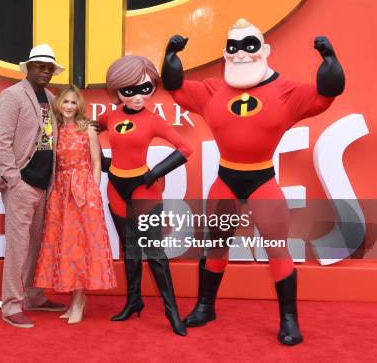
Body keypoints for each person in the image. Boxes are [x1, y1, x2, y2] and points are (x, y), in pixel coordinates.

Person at [161, 18, 345, 345]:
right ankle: (205, 306)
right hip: (226, 180)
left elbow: (326, 92)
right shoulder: (212, 90)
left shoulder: (286, 91)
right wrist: (171, 57)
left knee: (277, 248)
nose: (241, 53)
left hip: (261, 180)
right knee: (216, 245)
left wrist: (330, 61)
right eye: (233, 47)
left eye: (250, 45)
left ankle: (289, 319)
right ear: (225, 53)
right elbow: (175, 87)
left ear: (265, 50)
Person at [98, 55, 193, 336]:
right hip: (115, 188)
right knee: (130, 250)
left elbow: (185, 148)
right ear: (117, 91)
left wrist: (153, 175)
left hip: (143, 190)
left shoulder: (153, 121)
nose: (138, 96)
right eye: (129, 90)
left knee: (155, 253)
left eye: (145, 88)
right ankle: (134, 301)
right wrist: (102, 163)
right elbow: (88, 132)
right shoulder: (110, 117)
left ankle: (171, 312)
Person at [0, 44, 67, 328]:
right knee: (18, 247)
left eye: (49, 67)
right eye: (40, 66)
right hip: (21, 183)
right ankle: (10, 306)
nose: (45, 71)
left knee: (37, 246)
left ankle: (33, 296)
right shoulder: (11, 95)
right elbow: (2, 141)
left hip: (45, 183)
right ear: (29, 67)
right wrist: (14, 180)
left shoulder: (52, 97)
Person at [33, 86, 117, 324]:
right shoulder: (54, 130)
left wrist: (94, 191)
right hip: (60, 192)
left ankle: (80, 301)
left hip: (83, 191)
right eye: (65, 102)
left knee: (81, 248)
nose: (69, 106)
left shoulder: (87, 128)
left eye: (73, 102)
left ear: (78, 106)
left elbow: (96, 161)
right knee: (67, 247)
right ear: (59, 104)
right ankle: (73, 300)